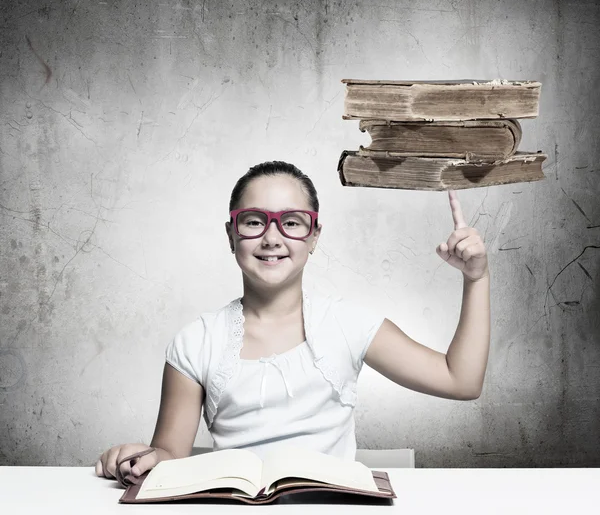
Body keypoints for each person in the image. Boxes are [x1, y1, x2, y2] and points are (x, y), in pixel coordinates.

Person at [95, 161, 490, 481]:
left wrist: (476, 278)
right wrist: (137, 459)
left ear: (314, 236)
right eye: (253, 221)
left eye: (292, 222)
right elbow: (168, 456)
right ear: (231, 235)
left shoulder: (347, 324)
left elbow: (461, 379)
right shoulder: (196, 341)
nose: (272, 237)